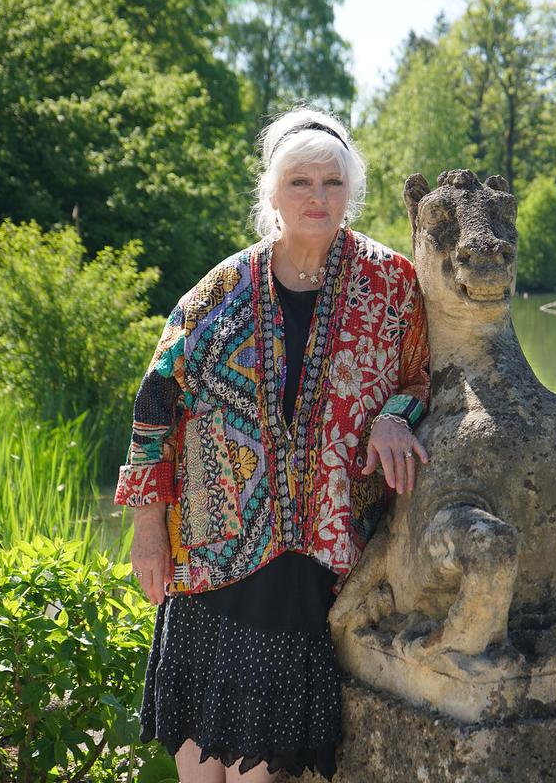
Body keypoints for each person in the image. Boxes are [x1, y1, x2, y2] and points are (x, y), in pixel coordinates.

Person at [115, 106, 431, 782]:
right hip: (210, 545)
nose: (317, 197)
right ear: (272, 194)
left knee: (265, 764)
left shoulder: (390, 282)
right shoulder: (220, 290)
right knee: (200, 753)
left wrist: (393, 418)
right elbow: (155, 400)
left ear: (352, 192)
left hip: (318, 548)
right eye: (300, 183)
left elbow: (419, 374)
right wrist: (147, 527)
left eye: (332, 183)